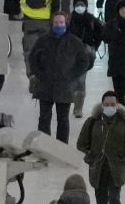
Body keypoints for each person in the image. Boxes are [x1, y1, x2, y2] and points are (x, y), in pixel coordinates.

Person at [26, 13, 90, 141]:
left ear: (66, 24)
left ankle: (61, 148)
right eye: (56, 22)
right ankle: (43, 145)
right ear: (52, 23)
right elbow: (33, 58)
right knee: (44, 118)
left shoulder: (74, 42)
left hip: (64, 87)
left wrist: (72, 76)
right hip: (45, 85)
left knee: (63, 119)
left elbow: (84, 61)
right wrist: (39, 74)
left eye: (61, 22)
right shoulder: (43, 40)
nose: (59, 25)